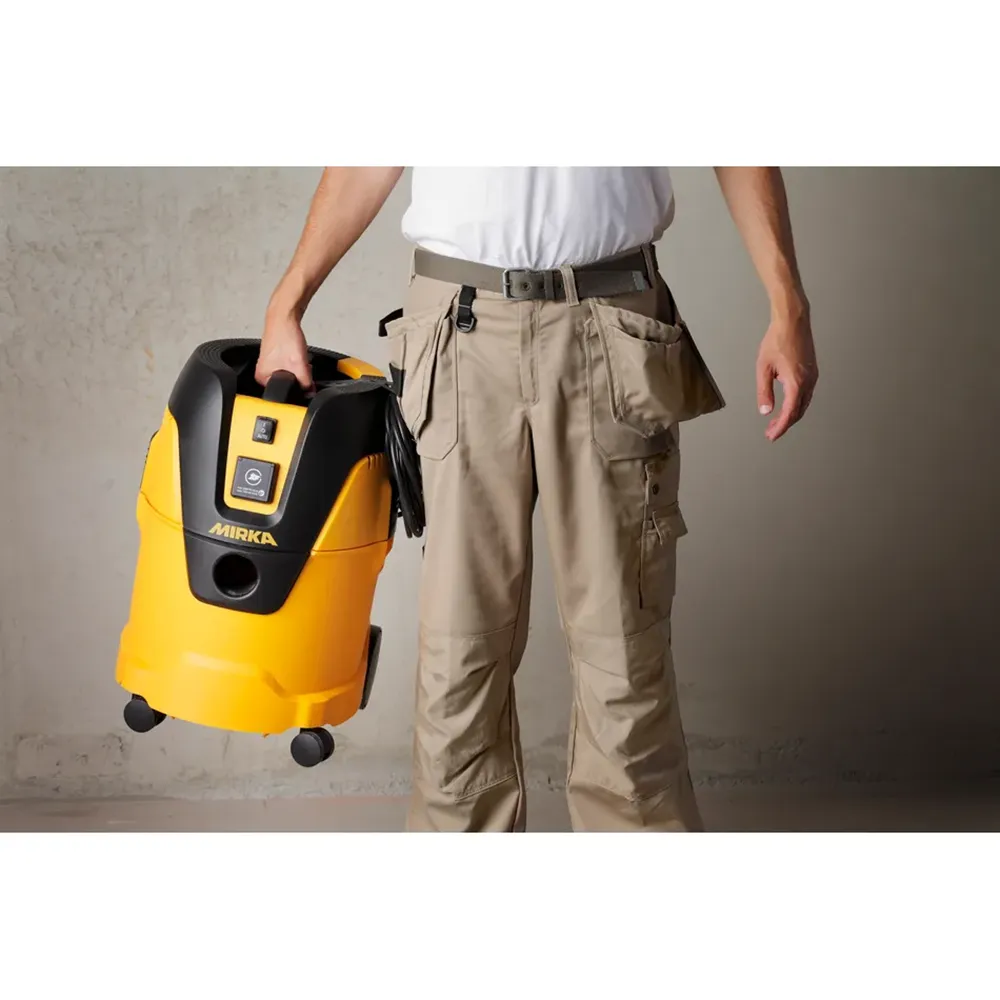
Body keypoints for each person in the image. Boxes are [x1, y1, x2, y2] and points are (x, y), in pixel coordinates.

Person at [257, 167, 818, 832]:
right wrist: (286, 304)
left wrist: (789, 305)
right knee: (457, 653)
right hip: (459, 326)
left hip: (612, 319)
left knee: (623, 648)